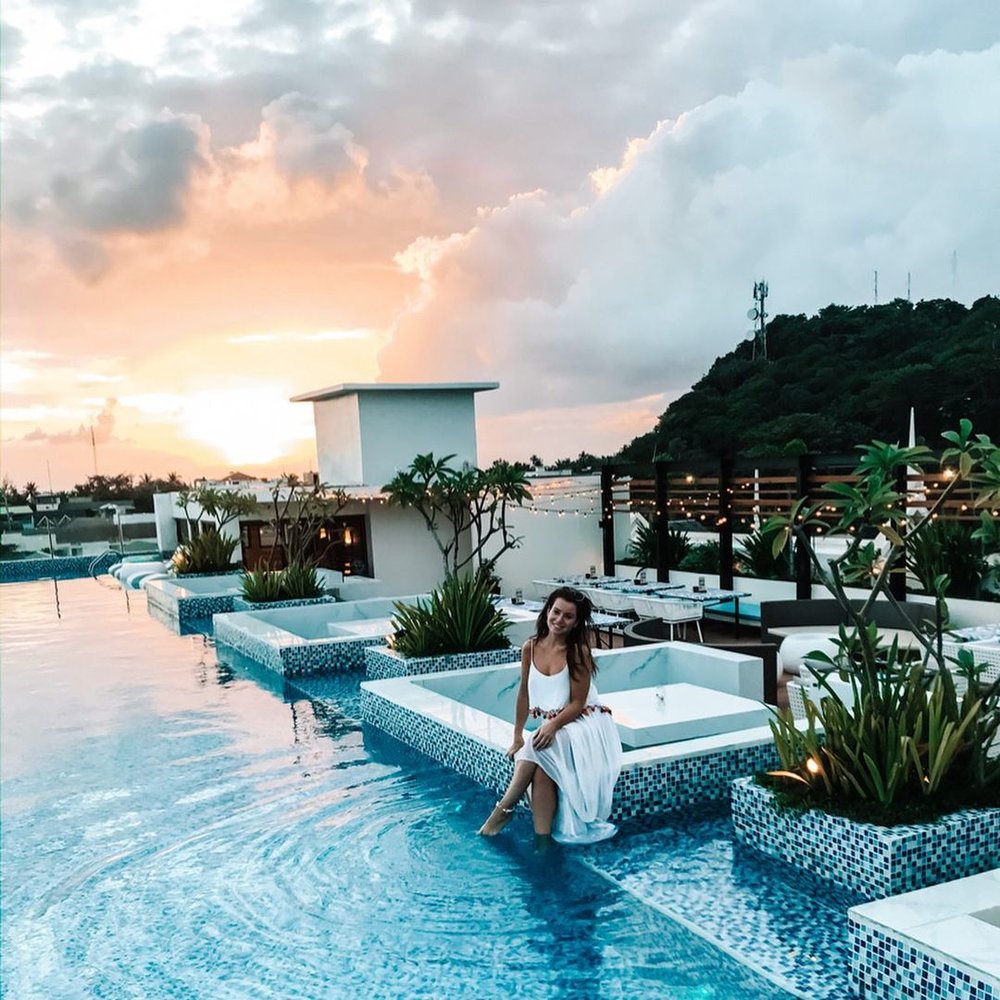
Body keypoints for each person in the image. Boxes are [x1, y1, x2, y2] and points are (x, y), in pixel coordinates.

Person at [478, 586, 623, 845]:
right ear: (547, 612)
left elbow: (578, 703)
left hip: (586, 722)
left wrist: (552, 725)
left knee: (538, 745)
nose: (559, 620)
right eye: (556, 612)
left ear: (577, 621)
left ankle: (502, 811)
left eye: (568, 616)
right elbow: (523, 694)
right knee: (541, 767)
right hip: (560, 724)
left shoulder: (577, 652)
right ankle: (543, 842)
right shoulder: (530, 648)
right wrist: (516, 737)